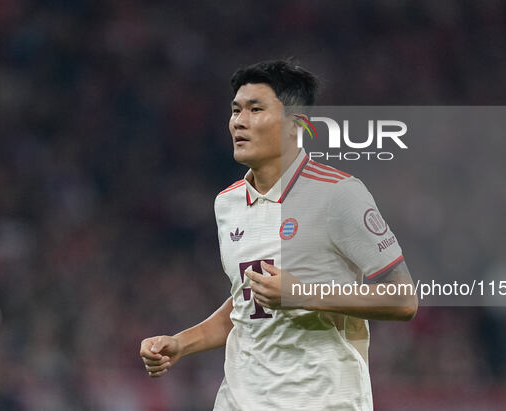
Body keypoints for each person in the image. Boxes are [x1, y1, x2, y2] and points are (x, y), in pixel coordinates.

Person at [139, 60, 417, 410]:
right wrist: (182, 343)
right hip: (240, 401)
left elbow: (403, 299)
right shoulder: (227, 203)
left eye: (256, 109)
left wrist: (303, 293)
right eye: (236, 110)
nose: (239, 121)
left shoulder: (339, 195)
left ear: (295, 126)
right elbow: (246, 305)